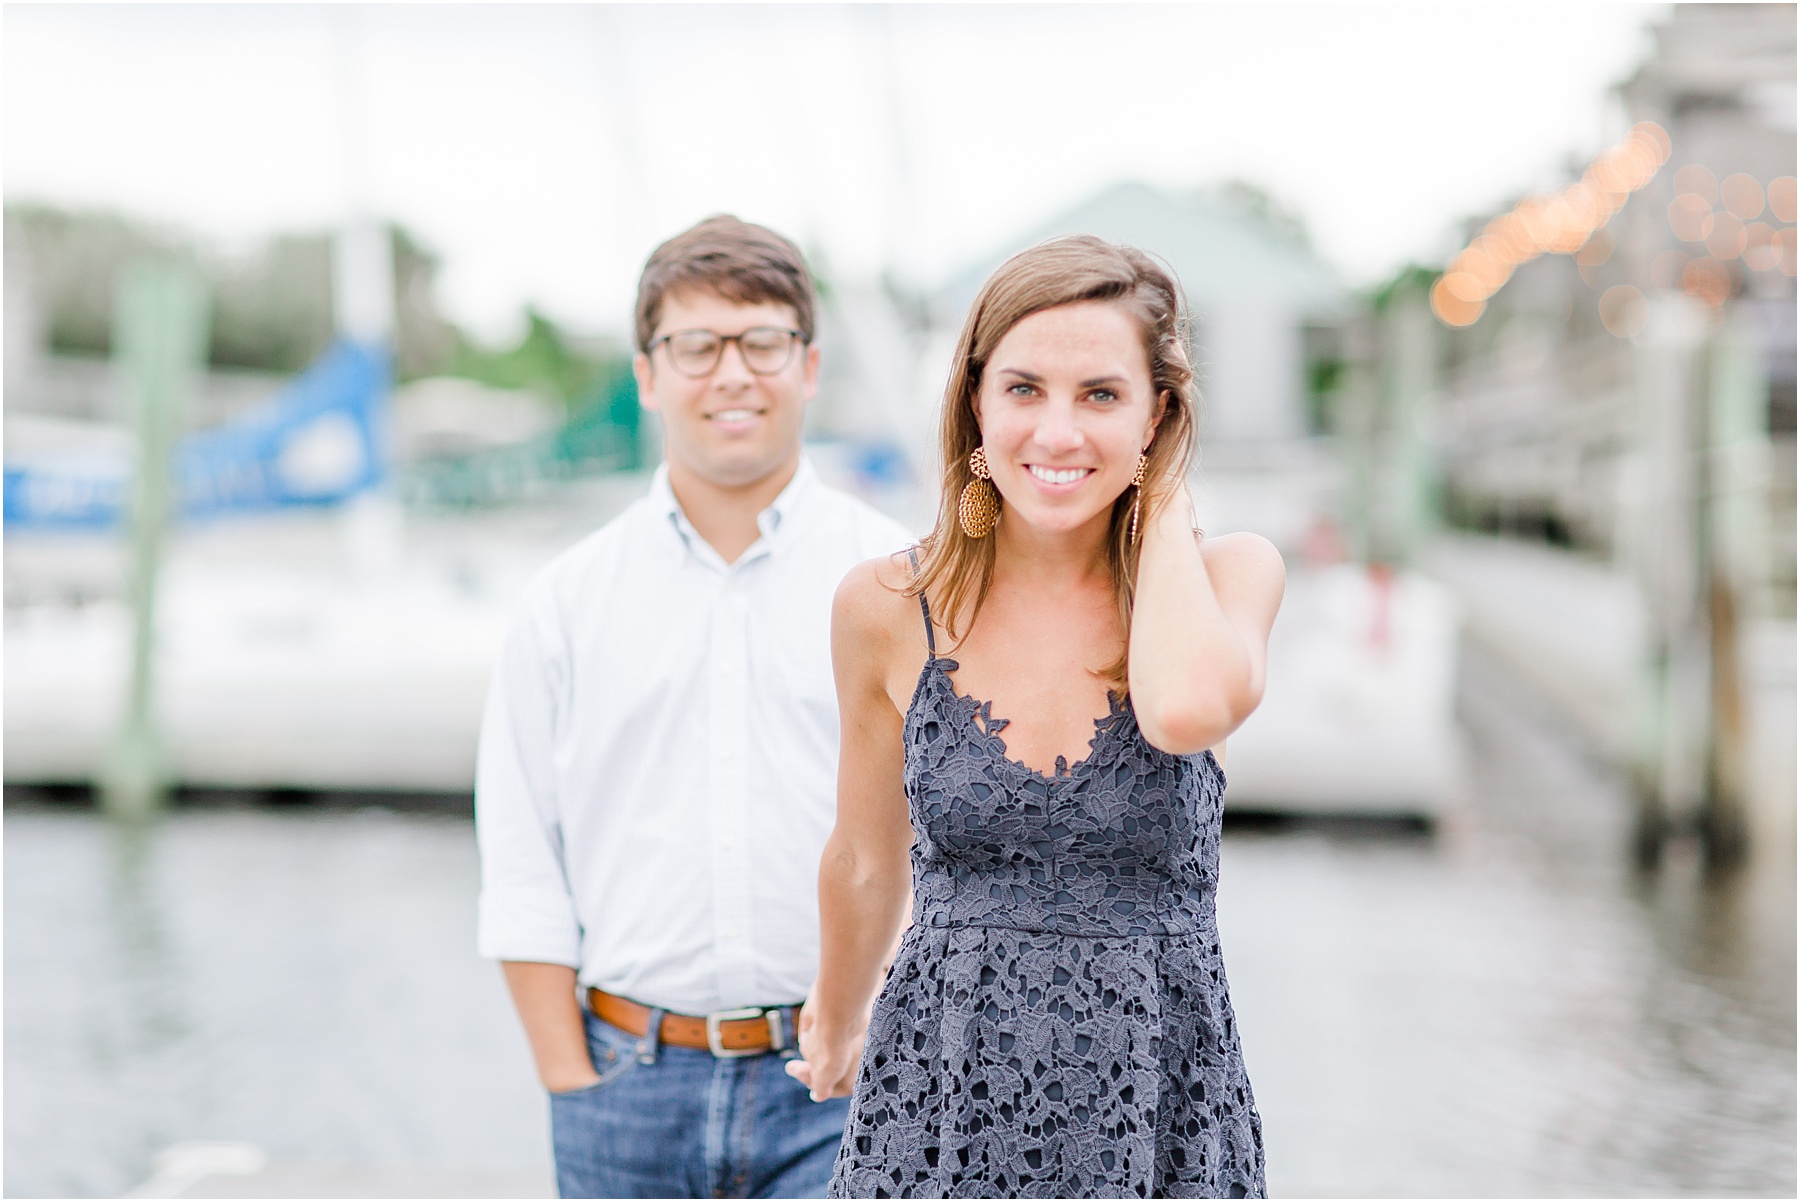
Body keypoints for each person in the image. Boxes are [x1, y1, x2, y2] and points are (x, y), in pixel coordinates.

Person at [787, 236, 1284, 1197]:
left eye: (1101, 395)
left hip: (1157, 1104)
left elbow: (1183, 711)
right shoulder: (885, 607)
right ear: (975, 402)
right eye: (1023, 390)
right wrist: (838, 1020)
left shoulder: (1232, 575)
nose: (1058, 433)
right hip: (938, 1099)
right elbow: (862, 856)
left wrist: (1162, 487)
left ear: (1159, 412)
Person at [475, 215, 912, 1199]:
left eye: (760, 341)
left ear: (806, 366)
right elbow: (519, 856)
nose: (731, 372)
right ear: (647, 374)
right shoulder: (566, 600)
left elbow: (943, 830)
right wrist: (569, 1078)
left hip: (847, 1078)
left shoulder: (901, 580)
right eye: (696, 345)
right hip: (626, 1080)